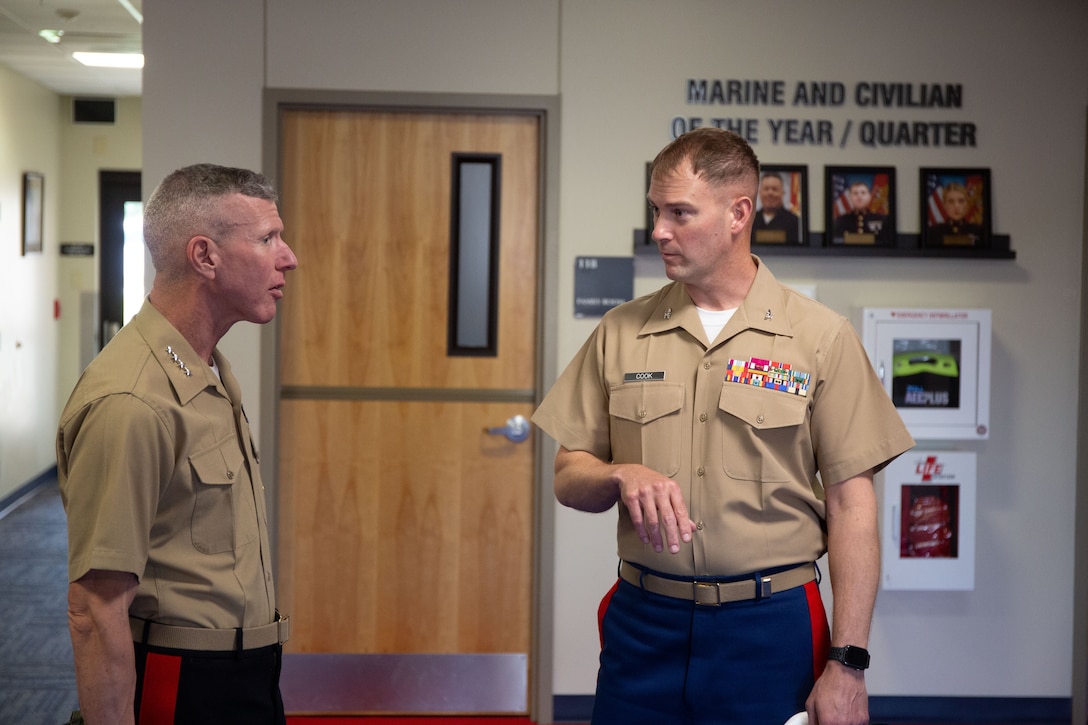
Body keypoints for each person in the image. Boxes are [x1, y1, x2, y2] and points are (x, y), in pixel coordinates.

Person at [532, 128, 914, 725]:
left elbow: (851, 505)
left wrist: (848, 662)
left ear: (739, 213)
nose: (659, 229)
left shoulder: (819, 337)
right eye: (657, 210)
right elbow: (567, 475)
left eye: (679, 212)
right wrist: (618, 475)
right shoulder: (619, 332)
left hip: (770, 629)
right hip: (643, 624)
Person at [57, 163, 299, 724]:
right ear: (205, 257)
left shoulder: (205, 367)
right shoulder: (133, 400)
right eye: (267, 239)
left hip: (245, 676)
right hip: (180, 684)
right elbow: (95, 609)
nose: (288, 257)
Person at [832, 179, 892, 243]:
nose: (859, 196)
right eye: (855, 193)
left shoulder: (882, 219)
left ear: (869, 196)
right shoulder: (840, 221)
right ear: (850, 197)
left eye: (863, 193)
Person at [753, 171, 802, 243]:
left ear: (782, 193)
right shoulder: (751, 220)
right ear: (760, 193)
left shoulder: (794, 222)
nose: (770, 193)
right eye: (766, 189)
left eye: (775, 189)